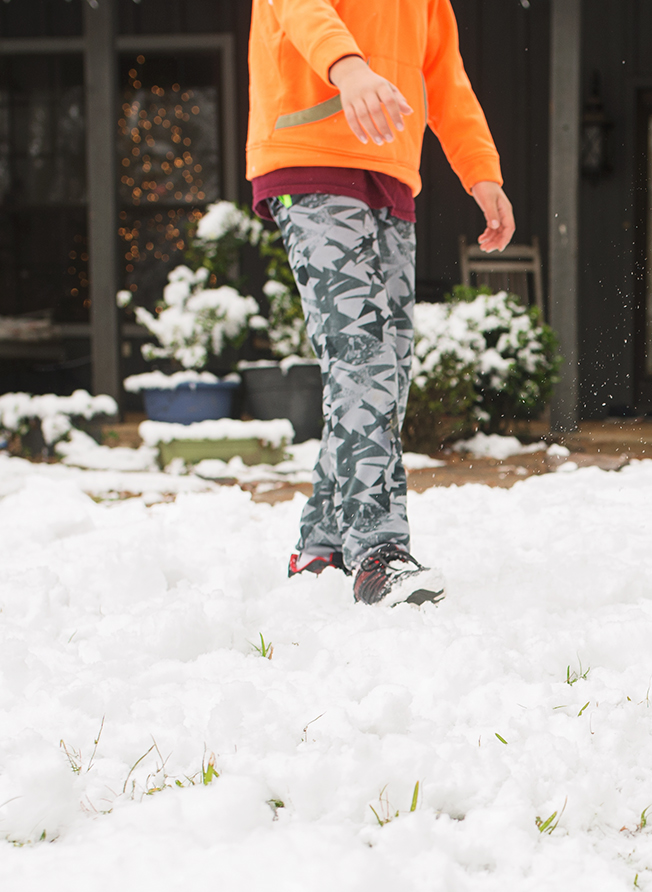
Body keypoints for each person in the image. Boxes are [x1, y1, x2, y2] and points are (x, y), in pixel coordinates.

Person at [246, 0, 514, 606]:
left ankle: (321, 543)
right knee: (362, 358)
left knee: (385, 368)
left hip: (390, 172)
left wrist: (482, 173)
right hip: (310, 155)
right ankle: (377, 551)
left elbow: (444, 75)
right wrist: (349, 68)